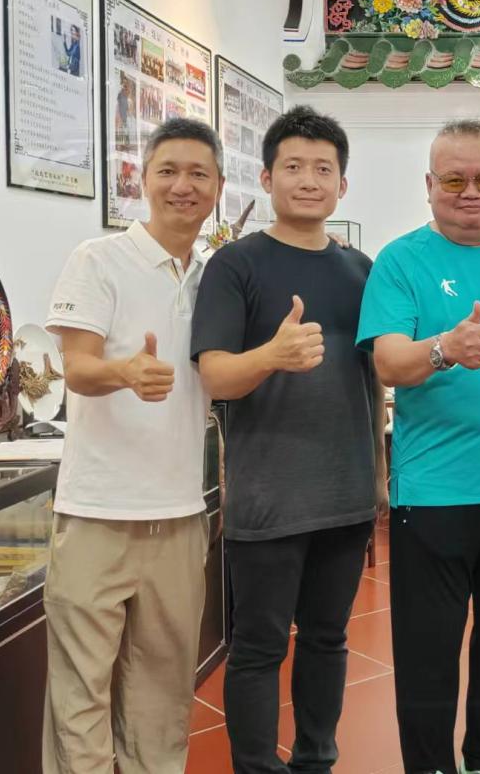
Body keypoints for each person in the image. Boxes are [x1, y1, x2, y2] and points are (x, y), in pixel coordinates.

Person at [356, 119, 480, 774]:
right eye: (454, 179)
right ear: (429, 184)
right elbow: (388, 362)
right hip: (437, 494)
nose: (471, 192)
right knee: (428, 653)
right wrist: (445, 348)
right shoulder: (401, 261)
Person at [191, 106, 387, 774]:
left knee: (329, 639)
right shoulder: (235, 265)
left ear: (342, 184)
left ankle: (315, 760)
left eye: (323, 169)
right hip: (268, 496)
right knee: (258, 646)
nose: (309, 180)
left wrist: (377, 474)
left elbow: (373, 379)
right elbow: (215, 376)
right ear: (267, 178)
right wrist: (272, 356)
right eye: (294, 167)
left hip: (345, 492)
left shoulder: (362, 269)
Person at [42, 118, 224, 774]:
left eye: (198, 173)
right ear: (142, 180)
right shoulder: (98, 259)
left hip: (179, 516)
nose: (182, 186)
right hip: (95, 513)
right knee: (80, 695)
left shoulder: (214, 279)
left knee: (163, 696)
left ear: (219, 188)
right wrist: (124, 372)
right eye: (167, 171)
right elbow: (77, 367)